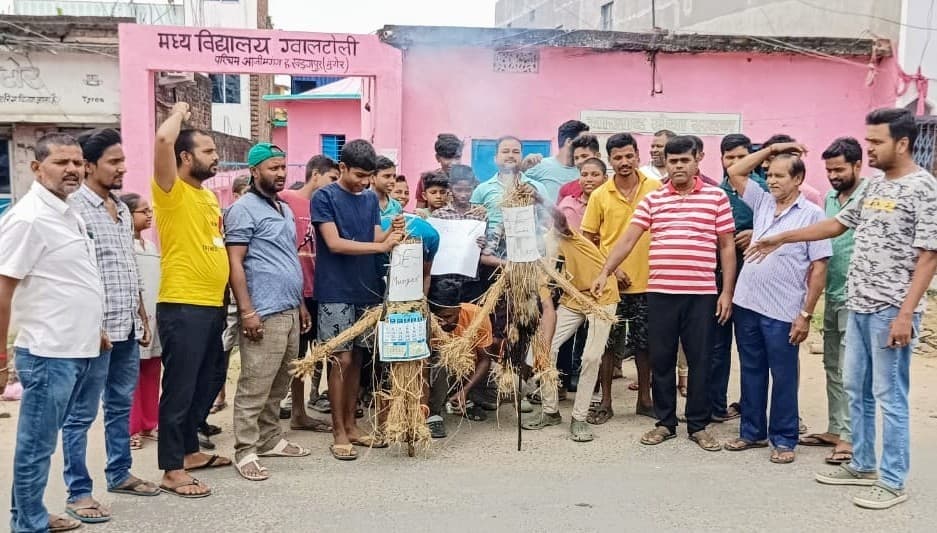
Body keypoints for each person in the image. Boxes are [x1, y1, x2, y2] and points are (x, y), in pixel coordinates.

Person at [748, 108, 937, 509]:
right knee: (857, 389)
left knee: (891, 395)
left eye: (876, 143)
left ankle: (891, 480)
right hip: (859, 304)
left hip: (891, 310)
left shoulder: (924, 188)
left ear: (902, 143)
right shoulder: (872, 188)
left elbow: (929, 256)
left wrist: (906, 314)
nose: (868, 150)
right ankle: (863, 463)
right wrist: (782, 237)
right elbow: (836, 226)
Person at [592, 135, 736, 452]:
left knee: (699, 360)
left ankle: (698, 425)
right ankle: (665, 422)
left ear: (697, 161)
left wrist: (727, 292)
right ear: (666, 164)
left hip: (701, 294)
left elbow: (726, 245)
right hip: (660, 293)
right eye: (673, 161)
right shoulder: (654, 200)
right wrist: (605, 271)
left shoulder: (716, 198)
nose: (679, 166)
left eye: (684, 160)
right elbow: (628, 239)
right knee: (662, 359)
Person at [0, 133, 105, 533]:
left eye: (77, 162)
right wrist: (1, 356)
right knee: (36, 445)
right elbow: (3, 288)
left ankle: (30, 515)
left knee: (42, 444)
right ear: (36, 167)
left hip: (79, 346)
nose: (73, 170)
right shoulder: (28, 218)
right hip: (48, 353)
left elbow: (71, 281)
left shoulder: (68, 211)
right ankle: (28, 524)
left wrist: (95, 330)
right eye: (61, 162)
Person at [61, 129, 160, 524]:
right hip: (92, 332)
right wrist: (92, 324)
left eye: (123, 161)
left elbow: (127, 268)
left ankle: (119, 473)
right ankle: (78, 491)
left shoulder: (120, 209)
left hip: (127, 328)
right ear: (88, 166)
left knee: (120, 405)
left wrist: (141, 314)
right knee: (81, 413)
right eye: (113, 162)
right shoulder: (75, 211)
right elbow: (74, 275)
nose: (122, 168)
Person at [722, 149, 831, 464]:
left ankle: (784, 439)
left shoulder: (812, 215)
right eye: (769, 175)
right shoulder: (763, 203)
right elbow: (735, 172)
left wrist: (806, 314)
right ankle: (752, 432)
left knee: (782, 375)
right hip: (747, 302)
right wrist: (769, 151)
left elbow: (820, 268)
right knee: (752, 370)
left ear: (797, 179)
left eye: (779, 175)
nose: (771, 181)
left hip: (783, 310)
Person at [152, 102, 232, 498]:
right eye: (208, 151)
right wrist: (181, 111)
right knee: (180, 387)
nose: (215, 157)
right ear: (185, 157)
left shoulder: (207, 197)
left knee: (211, 378)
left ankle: (190, 451)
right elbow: (163, 138)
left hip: (211, 304)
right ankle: (171, 468)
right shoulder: (171, 191)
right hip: (183, 304)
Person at [225, 143, 313, 481]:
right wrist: (247, 311)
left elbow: (288, 258)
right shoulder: (242, 209)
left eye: (282, 167)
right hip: (263, 310)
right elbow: (235, 262)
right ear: (254, 170)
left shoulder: (284, 208)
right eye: (272, 168)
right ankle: (245, 450)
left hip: (289, 307)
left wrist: (301, 304)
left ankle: (270, 438)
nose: (279, 174)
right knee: (254, 384)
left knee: (280, 382)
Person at [312, 139, 404, 461]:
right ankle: (337, 430)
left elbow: (374, 235)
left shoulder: (368, 200)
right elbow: (334, 243)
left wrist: (393, 230)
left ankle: (352, 425)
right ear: (342, 168)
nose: (365, 182)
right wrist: (380, 247)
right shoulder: (324, 196)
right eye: (359, 175)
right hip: (335, 290)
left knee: (359, 360)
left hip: (366, 289)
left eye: (369, 176)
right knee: (341, 359)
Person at [580, 133, 660, 423]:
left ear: (638, 156)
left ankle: (645, 399)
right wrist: (611, 269)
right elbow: (587, 241)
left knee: (645, 344)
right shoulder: (600, 195)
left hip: (650, 282)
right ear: (610, 160)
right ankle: (606, 402)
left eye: (629, 156)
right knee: (607, 345)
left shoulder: (656, 188)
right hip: (610, 286)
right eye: (617, 157)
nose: (624, 162)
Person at [522, 206, 619, 442]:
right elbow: (547, 309)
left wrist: (536, 199)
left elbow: (561, 220)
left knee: (591, 357)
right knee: (544, 348)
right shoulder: (533, 262)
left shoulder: (561, 235)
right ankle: (549, 411)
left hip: (602, 296)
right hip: (573, 299)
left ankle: (580, 418)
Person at [798, 137, 867, 463]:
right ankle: (836, 429)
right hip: (832, 293)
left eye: (839, 169)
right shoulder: (828, 197)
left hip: (858, 297)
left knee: (853, 371)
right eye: (829, 170)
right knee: (832, 367)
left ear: (857, 165)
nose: (834, 175)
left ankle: (851, 439)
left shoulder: (869, 196)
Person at [280, 155, 340, 423]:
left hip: (322, 288)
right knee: (298, 354)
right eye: (332, 179)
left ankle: (313, 402)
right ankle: (297, 411)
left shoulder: (328, 206)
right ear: (315, 174)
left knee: (322, 351)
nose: (334, 185)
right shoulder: (286, 199)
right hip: (296, 290)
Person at [709, 133, 764, 422]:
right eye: (729, 157)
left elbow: (783, 224)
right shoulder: (716, 193)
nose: (734, 162)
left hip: (754, 277)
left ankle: (749, 406)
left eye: (741, 157)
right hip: (717, 278)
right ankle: (716, 407)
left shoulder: (765, 191)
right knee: (717, 345)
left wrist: (758, 234)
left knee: (749, 345)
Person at [428, 278, 494, 433]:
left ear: (459, 309)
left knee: (517, 388)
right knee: (442, 361)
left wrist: (466, 389)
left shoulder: (477, 314)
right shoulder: (429, 322)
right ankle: (433, 413)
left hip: (468, 370)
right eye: (439, 317)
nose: (442, 323)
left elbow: (485, 359)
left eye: (448, 316)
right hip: (439, 374)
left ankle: (465, 396)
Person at [123, 193, 161, 451]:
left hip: (155, 314)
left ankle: (149, 422)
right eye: (142, 211)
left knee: (152, 369)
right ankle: (130, 428)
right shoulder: (124, 245)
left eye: (149, 210)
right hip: (135, 315)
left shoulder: (151, 246)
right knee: (131, 373)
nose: (149, 215)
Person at [525, 120, 591, 203]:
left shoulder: (585, 171)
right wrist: (522, 167)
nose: (588, 145)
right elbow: (514, 185)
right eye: (584, 141)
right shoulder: (541, 165)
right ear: (569, 142)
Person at [759, 134, 823, 205]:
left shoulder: (809, 195)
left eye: (769, 159)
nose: (763, 165)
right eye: (763, 160)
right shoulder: (763, 191)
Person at [558, 157, 606, 233]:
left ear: (605, 178)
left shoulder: (612, 203)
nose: (589, 179)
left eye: (595, 175)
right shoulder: (568, 204)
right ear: (579, 179)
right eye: (584, 175)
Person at [415, 133, 463, 208]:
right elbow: (419, 211)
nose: (453, 163)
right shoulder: (427, 179)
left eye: (457, 157)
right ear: (437, 158)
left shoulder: (468, 180)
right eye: (447, 157)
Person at [557, 134, 602, 201]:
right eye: (576, 158)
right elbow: (557, 211)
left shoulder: (612, 187)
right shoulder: (566, 190)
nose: (579, 162)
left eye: (584, 156)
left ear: (597, 156)